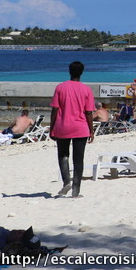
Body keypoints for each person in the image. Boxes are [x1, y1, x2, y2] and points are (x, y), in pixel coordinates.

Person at [50, 61, 95, 198]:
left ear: (69, 71)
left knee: (63, 155)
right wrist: (91, 130)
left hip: (62, 126)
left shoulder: (60, 87)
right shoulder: (86, 89)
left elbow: (55, 109)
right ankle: (76, 191)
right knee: (78, 159)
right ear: (82, 72)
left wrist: (52, 127)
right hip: (81, 127)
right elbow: (89, 112)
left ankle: (66, 182)